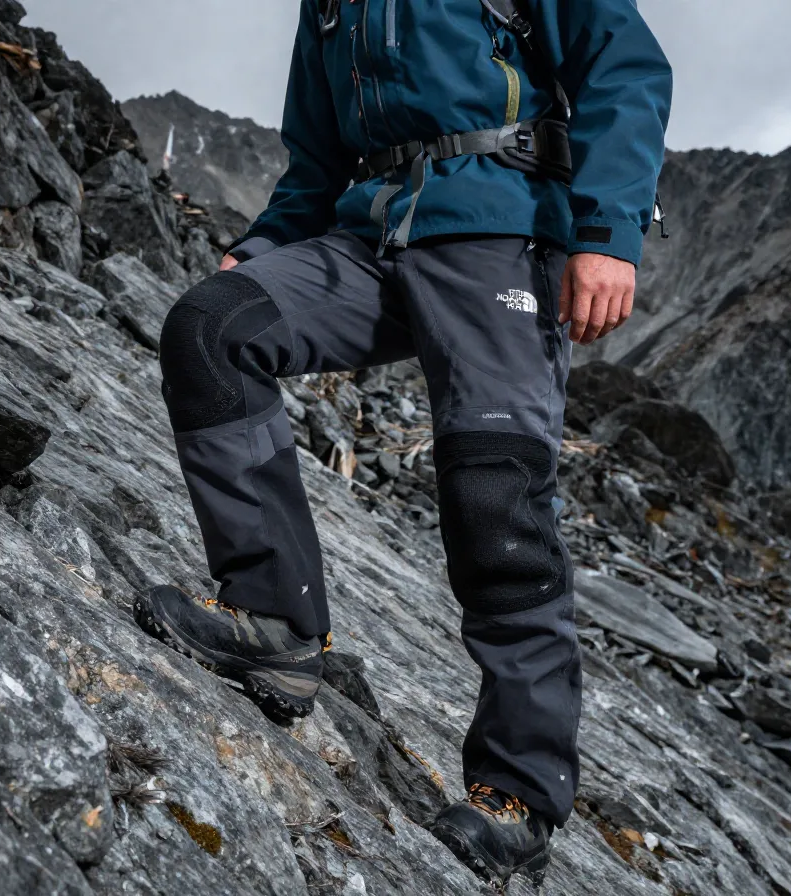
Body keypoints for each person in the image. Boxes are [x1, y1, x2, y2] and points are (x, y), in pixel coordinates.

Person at [134, 0, 672, 886]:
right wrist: (267, 241)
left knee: (493, 498)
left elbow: (628, 68)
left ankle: (518, 796)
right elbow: (317, 155)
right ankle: (274, 624)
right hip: (369, 235)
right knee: (214, 328)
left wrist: (609, 232)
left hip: (504, 235)